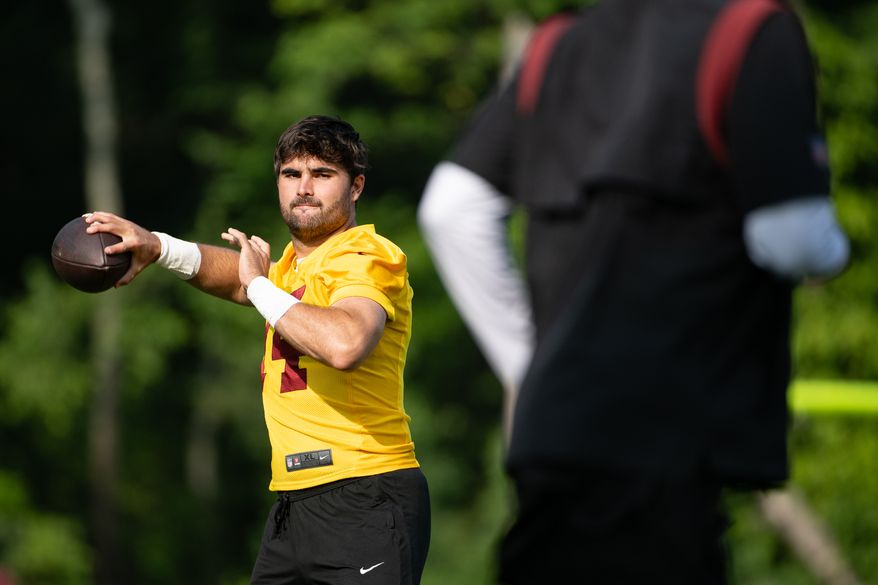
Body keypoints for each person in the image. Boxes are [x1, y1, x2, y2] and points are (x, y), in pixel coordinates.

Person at [418, 1, 850, 584]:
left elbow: (451, 209)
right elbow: (794, 240)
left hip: (552, 447)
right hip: (669, 454)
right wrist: (833, 249)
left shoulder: (558, 43)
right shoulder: (752, 31)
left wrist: (531, 365)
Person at [86, 115, 430, 585]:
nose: (304, 188)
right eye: (292, 174)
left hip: (365, 495)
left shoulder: (366, 255)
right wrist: (158, 246)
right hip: (295, 507)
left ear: (356, 187)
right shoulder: (290, 269)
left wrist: (260, 286)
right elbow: (240, 280)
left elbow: (346, 343)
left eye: (323, 174)